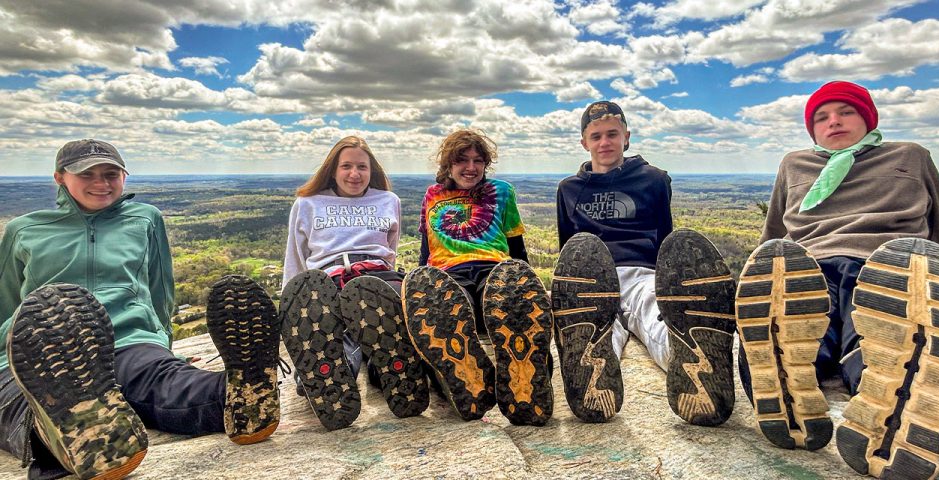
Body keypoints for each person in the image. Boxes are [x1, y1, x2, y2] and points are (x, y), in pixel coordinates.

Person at [0, 139, 280, 480]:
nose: (101, 183)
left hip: (128, 337)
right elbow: (8, 303)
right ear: (60, 178)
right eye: (87, 174)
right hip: (48, 357)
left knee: (169, 383)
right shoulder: (24, 230)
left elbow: (160, 290)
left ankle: (241, 392)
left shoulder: (145, 219)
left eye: (111, 173)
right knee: (22, 406)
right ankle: (63, 432)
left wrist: (161, 344)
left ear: (123, 177)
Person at [736, 81, 939, 478]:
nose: (833, 121)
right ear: (811, 128)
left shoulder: (910, 155)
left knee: (877, 342)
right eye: (821, 117)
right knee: (806, 339)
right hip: (810, 268)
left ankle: (894, 400)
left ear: (868, 117)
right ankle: (788, 381)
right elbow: (773, 237)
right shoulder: (795, 163)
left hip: (887, 270)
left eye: (845, 112)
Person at [554, 101, 738, 426]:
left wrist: (666, 280)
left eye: (612, 134)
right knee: (597, 332)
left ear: (627, 136)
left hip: (641, 272)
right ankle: (587, 371)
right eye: (596, 136)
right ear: (584, 143)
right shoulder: (568, 190)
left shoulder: (653, 180)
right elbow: (569, 249)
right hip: (593, 282)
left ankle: (692, 357)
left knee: (656, 313)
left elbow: (664, 236)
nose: (604, 142)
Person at [402, 129, 553, 426]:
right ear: (448, 164)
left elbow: (516, 245)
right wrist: (418, 284)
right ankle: (469, 379)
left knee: (510, 304)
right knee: (446, 312)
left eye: (478, 161)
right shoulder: (433, 195)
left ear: (486, 164)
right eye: (462, 160)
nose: (471, 168)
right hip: (448, 275)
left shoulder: (502, 191)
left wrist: (527, 284)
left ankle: (528, 380)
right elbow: (427, 247)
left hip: (494, 270)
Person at [280, 136, 428, 430]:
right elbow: (295, 258)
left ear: (372, 170)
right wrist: (292, 308)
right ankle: (329, 374)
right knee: (333, 329)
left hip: (376, 279)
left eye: (362, 167)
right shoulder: (307, 203)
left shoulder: (388, 200)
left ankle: (383, 367)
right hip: (327, 279)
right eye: (346, 166)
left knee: (387, 319)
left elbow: (390, 252)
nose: (354, 174)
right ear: (332, 170)